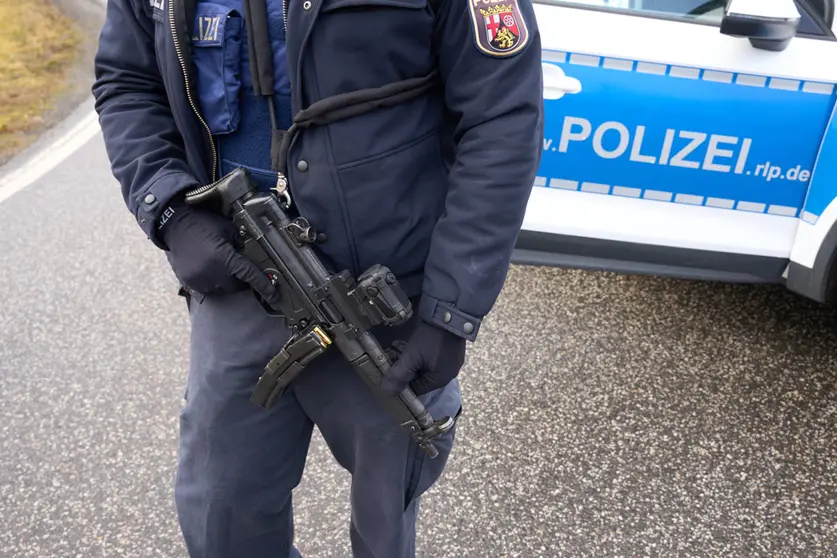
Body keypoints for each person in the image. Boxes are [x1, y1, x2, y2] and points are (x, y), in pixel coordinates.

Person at [91, 0, 543, 554]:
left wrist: (453, 310)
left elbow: (502, 115)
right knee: (222, 519)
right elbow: (127, 81)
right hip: (238, 279)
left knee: (385, 522)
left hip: (388, 305)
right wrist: (170, 210)